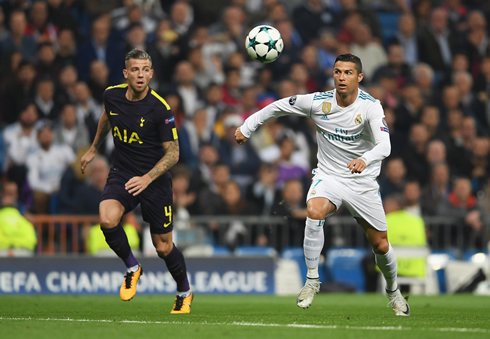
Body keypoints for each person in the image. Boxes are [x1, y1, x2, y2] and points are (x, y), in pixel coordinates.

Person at [235, 54, 410, 316]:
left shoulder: (371, 107)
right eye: (338, 72)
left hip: (362, 181)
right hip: (329, 176)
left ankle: (393, 291)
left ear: (359, 77)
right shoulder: (318, 102)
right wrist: (248, 126)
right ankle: (312, 280)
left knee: (381, 245)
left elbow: (385, 145)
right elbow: (279, 106)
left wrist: (365, 158)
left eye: (348, 73)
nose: (342, 77)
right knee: (314, 212)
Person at [80, 49, 192, 314]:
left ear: (151, 74)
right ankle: (132, 267)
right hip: (123, 172)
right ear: (126, 74)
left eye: (144, 70)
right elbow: (107, 116)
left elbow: (174, 153)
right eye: (134, 70)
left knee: (163, 247)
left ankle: (184, 291)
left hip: (154, 180)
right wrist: (94, 147)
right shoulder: (111, 95)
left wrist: (147, 178)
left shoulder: (160, 108)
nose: (140, 75)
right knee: (107, 219)